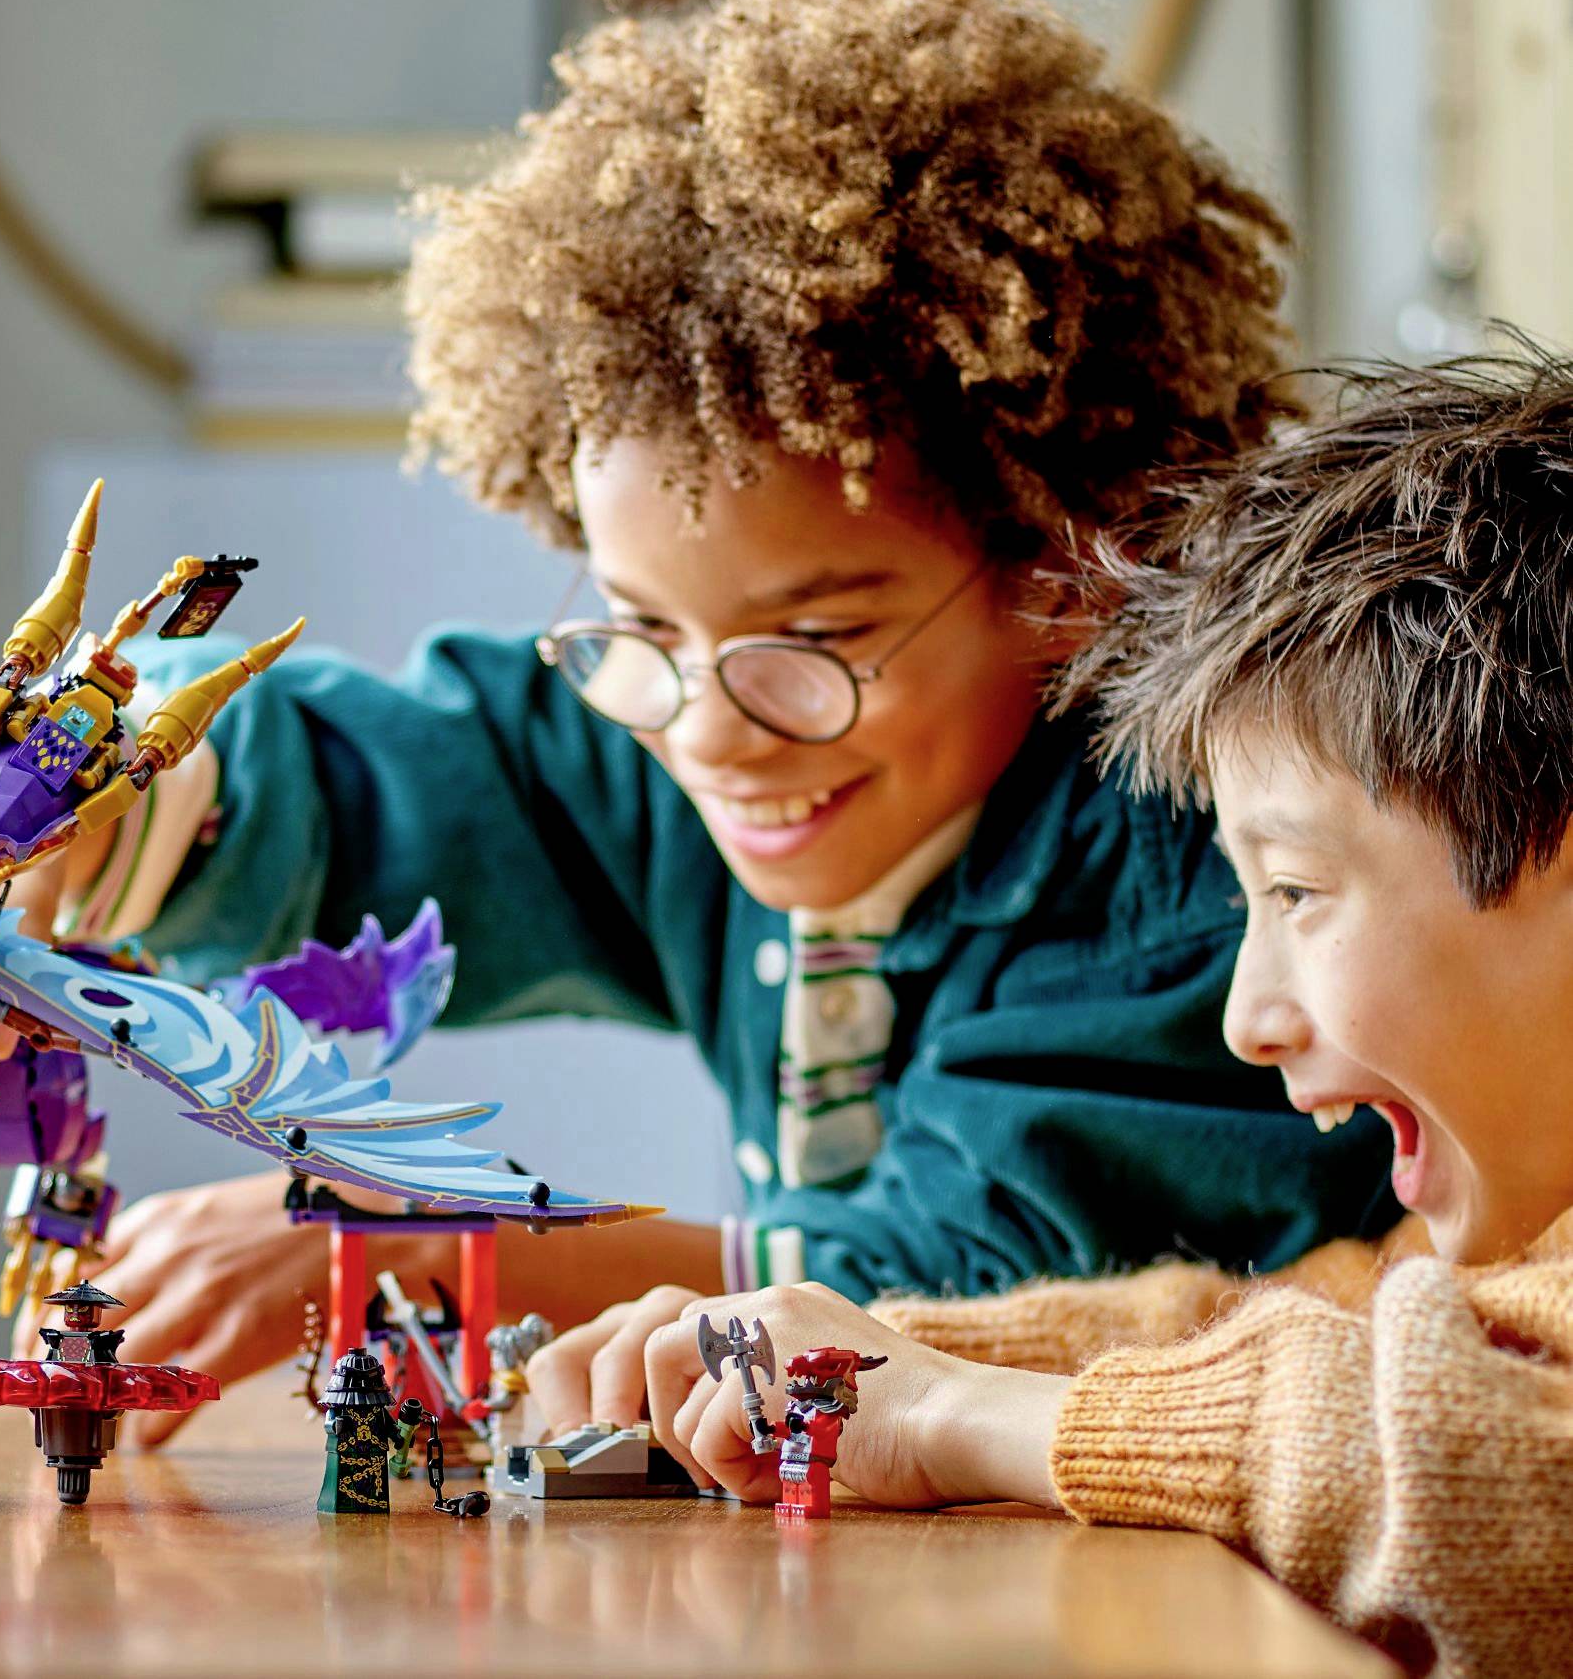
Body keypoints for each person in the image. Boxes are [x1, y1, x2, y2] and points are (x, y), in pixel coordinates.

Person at [12, 0, 1394, 1420]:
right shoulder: (676, 720)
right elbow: (404, 783)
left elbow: (983, 1289)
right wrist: (127, 776)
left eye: (814, 644)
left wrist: (431, 1250)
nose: (714, 733)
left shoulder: (1193, 860)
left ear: (1069, 572)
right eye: (641, 628)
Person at [629, 348, 1573, 1677]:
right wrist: (870, 1357)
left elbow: (1473, 1459)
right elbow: (1305, 1326)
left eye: (1298, 891)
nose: (1246, 1014)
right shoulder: (1487, 1255)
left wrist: (964, 1413)